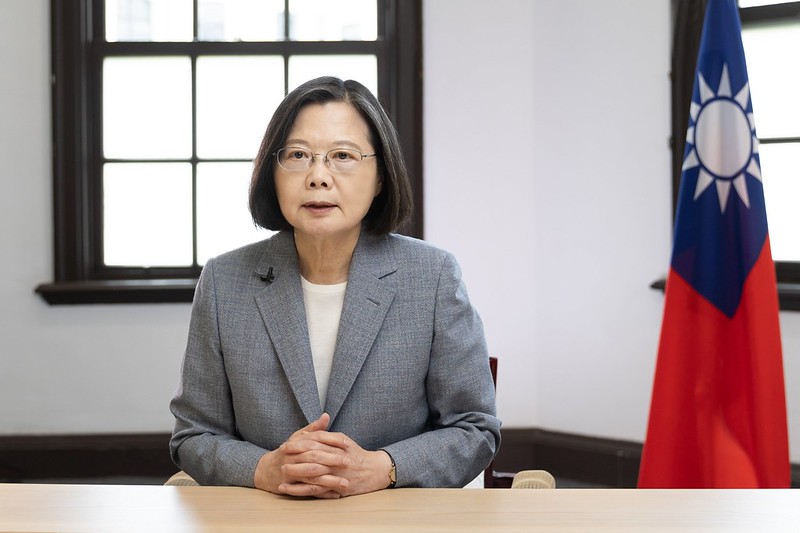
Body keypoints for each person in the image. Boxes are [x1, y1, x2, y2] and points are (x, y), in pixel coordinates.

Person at [169, 76, 500, 498]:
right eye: (298, 155)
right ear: (272, 172)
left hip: (393, 517)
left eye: (342, 155)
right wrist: (264, 469)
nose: (318, 176)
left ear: (380, 176)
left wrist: (382, 468)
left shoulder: (432, 276)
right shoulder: (224, 281)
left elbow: (475, 429)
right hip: (270, 518)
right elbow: (194, 435)